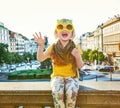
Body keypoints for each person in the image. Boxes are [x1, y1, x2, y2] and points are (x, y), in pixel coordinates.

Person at [33, 18, 84, 108]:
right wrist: (41, 46)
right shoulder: (53, 46)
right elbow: (40, 59)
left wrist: (77, 56)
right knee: (57, 92)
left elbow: (80, 66)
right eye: (60, 27)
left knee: (71, 92)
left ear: (72, 33)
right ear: (56, 32)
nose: (64, 29)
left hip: (72, 77)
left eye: (68, 27)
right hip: (57, 77)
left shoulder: (75, 46)